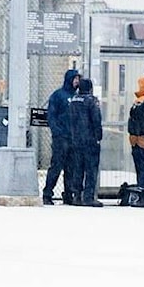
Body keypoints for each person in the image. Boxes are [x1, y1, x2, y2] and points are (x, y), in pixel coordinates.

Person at [42, 68, 79, 205]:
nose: (76, 81)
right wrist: (57, 131)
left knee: (71, 168)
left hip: (73, 138)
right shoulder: (58, 95)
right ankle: (47, 193)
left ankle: (68, 194)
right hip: (61, 137)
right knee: (56, 166)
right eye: (75, 79)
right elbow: (51, 115)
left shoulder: (77, 96)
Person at [67, 77, 103, 207]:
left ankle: (77, 195)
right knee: (91, 169)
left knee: (78, 168)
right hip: (90, 140)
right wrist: (98, 136)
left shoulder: (73, 100)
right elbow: (96, 120)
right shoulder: (91, 101)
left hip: (76, 139)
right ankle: (88, 197)